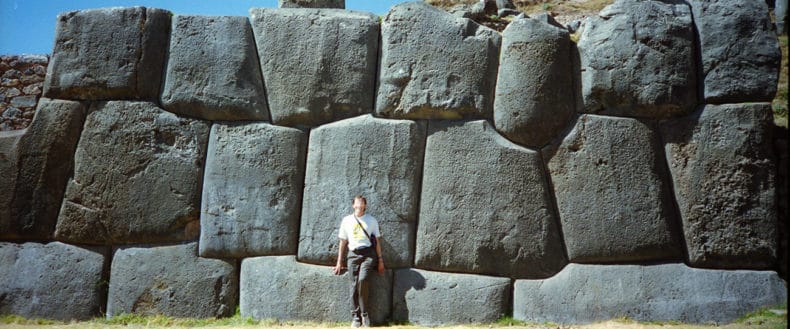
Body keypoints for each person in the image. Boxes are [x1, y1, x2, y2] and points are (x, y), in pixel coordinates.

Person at [332, 195, 385, 328]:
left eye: (362, 203)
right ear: (353, 205)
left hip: (368, 255)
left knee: (363, 280)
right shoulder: (347, 220)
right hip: (353, 255)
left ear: (365, 206)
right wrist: (339, 261)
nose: (359, 205)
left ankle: (365, 314)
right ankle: (355, 317)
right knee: (353, 285)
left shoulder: (371, 220)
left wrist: (380, 260)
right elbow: (343, 241)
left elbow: (377, 241)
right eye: (357, 203)